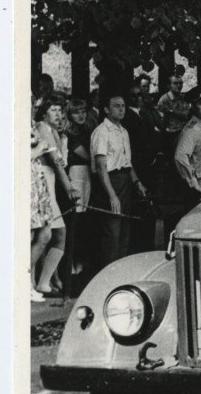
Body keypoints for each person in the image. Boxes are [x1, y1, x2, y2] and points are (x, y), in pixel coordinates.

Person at [90, 92, 148, 266]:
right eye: (116, 106)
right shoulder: (101, 132)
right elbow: (100, 167)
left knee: (124, 231)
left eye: (123, 105)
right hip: (109, 183)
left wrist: (137, 182)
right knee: (112, 234)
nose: (121, 109)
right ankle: (107, 277)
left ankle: (119, 274)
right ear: (106, 109)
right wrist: (112, 195)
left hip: (125, 183)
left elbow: (126, 162)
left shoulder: (123, 131)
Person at [33, 97, 79, 294]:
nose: (59, 114)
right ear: (44, 112)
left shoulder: (55, 132)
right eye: (54, 110)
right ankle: (39, 283)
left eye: (61, 110)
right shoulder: (42, 128)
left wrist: (63, 138)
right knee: (49, 234)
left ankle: (43, 282)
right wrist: (69, 188)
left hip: (49, 184)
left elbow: (62, 161)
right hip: (43, 184)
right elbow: (58, 163)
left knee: (51, 234)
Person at [30, 109, 53, 302]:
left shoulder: (30, 124)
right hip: (27, 186)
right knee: (29, 237)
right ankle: (25, 283)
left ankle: (26, 281)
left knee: (45, 234)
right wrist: (38, 150)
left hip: (39, 185)